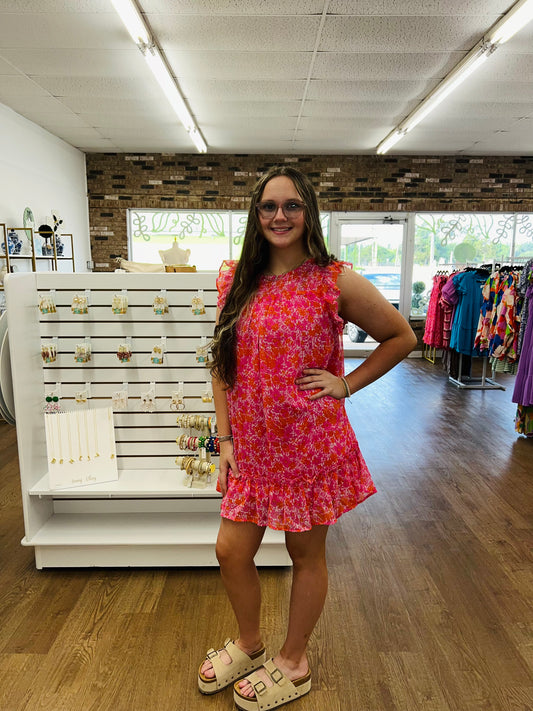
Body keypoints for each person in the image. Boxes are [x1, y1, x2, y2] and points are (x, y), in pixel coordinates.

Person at [197, 165, 417, 711]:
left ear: (309, 212)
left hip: (309, 444)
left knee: (304, 551)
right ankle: (251, 645)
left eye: (291, 205)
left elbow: (400, 336)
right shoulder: (234, 279)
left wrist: (345, 384)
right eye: (268, 206)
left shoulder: (332, 279)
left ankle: (294, 661)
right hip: (251, 444)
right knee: (231, 549)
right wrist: (223, 439)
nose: (279, 216)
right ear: (256, 214)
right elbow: (221, 364)